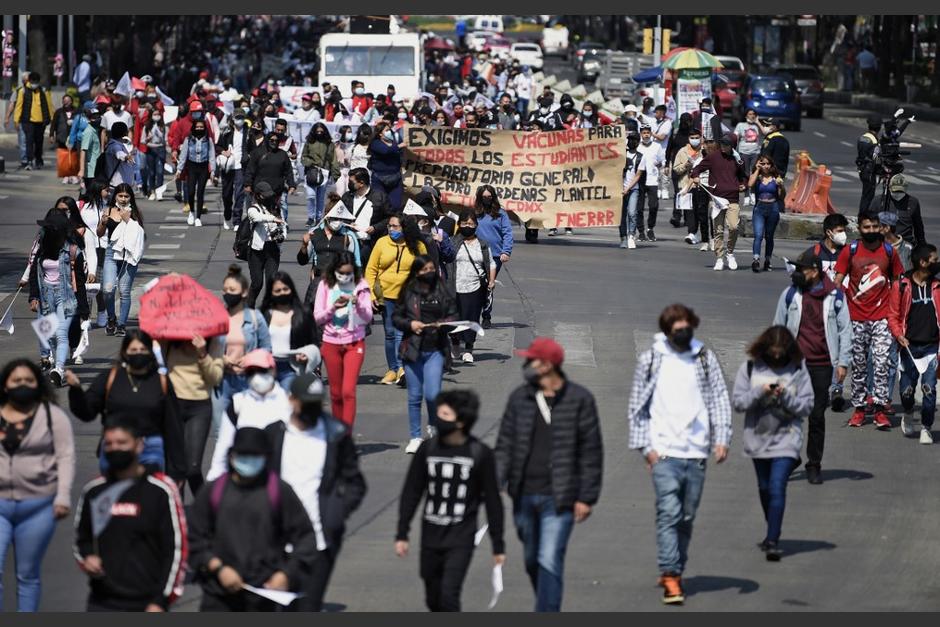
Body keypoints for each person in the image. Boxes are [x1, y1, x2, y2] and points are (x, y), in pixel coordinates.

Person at [628, 304, 731, 605]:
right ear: (667, 331)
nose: (683, 333)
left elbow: (719, 400)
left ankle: (675, 566)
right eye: (677, 329)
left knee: (686, 516)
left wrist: (722, 438)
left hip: (696, 451)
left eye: (687, 327)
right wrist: (647, 450)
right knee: (669, 512)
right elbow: (637, 407)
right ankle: (671, 573)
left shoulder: (703, 358)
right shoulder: (652, 359)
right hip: (664, 452)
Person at [495, 337, 603, 612]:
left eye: (532, 360)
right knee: (533, 559)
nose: (527, 364)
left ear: (547, 365)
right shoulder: (521, 397)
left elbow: (591, 452)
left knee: (549, 558)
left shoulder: (580, 400)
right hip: (523, 493)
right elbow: (505, 443)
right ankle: (546, 599)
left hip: (560, 497)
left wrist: (586, 497)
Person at [264, 374, 367, 611]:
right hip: (276, 543)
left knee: (308, 608)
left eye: (316, 403)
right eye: (306, 402)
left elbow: (355, 484)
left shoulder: (336, 434)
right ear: (292, 400)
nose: (312, 408)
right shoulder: (274, 435)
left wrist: (335, 513)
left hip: (320, 543)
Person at [396, 389, 505, 612]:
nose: (438, 419)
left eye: (445, 415)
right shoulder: (428, 449)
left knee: (449, 594)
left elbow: (493, 501)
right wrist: (402, 532)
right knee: (433, 597)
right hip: (431, 535)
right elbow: (412, 492)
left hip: (461, 537)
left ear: (461, 421)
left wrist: (498, 544)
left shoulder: (480, 453)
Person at [188, 426, 318, 612]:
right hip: (218, 595)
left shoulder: (279, 491)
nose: (249, 461)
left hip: (264, 594)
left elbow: (305, 537)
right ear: (232, 456)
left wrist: (286, 574)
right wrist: (217, 568)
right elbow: (193, 537)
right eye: (243, 455)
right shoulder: (213, 491)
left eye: (255, 456)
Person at [73, 418, 187, 612]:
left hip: (147, 602)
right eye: (109, 444)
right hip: (102, 601)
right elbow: (81, 540)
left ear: (139, 445)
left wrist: (161, 600)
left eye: (122, 443)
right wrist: (87, 558)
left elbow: (176, 548)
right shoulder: (95, 491)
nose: (115, 448)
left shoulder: (161, 491)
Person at [731, 326, 814, 561]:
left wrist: (785, 396)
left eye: (781, 352)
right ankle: (772, 526)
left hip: (787, 439)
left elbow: (806, 406)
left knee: (778, 486)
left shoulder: (798, 369)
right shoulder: (750, 368)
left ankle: (772, 540)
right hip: (758, 439)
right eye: (773, 352)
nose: (777, 357)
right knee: (765, 488)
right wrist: (759, 392)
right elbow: (738, 403)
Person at [0, 358, 75, 611]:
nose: (22, 384)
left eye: (28, 380)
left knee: (27, 575)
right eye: (16, 380)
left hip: (38, 508)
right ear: (5, 385)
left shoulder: (52, 417)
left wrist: (63, 496)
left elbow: (65, 457)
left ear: (38, 385)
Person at [65, 329, 186, 481]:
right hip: (114, 446)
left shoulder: (160, 381)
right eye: (134, 350)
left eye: (143, 350)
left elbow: (173, 426)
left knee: (146, 494)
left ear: (150, 352)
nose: (138, 353)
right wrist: (76, 390)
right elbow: (87, 412)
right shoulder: (110, 377)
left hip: (150, 448)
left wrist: (178, 469)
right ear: (124, 352)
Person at [773, 249, 851, 484]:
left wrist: (843, 362)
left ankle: (814, 464)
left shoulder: (835, 297)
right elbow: (778, 327)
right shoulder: (790, 295)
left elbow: (845, 330)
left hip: (822, 365)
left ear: (815, 272)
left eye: (802, 269)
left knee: (817, 416)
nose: (798, 273)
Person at [834, 211, 905, 429]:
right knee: (860, 365)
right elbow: (838, 280)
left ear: (881, 228)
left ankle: (881, 410)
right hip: (855, 317)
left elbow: (896, 281)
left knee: (883, 363)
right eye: (867, 227)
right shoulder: (850, 251)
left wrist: (897, 312)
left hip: (882, 317)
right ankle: (859, 409)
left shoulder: (889, 251)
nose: (872, 231)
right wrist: (836, 308)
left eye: (875, 227)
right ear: (860, 229)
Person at [394, 255, 458, 453]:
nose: (428, 273)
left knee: (433, 394)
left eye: (431, 268)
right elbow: (396, 317)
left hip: (435, 349)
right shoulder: (408, 291)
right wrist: (410, 324)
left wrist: (444, 324)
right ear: (416, 272)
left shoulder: (443, 289)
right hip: (412, 349)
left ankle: (433, 425)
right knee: (414, 396)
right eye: (424, 270)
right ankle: (415, 436)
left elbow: (454, 315)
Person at [207, 349, 291, 482]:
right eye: (251, 372)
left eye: (261, 370)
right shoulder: (237, 403)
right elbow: (223, 446)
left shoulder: (288, 403)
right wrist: (214, 481)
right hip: (244, 477)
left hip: (279, 479)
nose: (256, 376)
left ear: (273, 370)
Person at [26, 210, 90, 385]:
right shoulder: (42, 249)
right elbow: (34, 273)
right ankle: (55, 364)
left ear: (58, 230)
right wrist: (33, 296)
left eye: (48, 228)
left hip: (66, 298)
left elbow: (81, 281)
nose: (44, 231)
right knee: (49, 335)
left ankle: (59, 369)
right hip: (46, 298)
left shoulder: (73, 251)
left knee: (61, 334)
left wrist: (84, 310)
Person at [160, 327, 224, 499]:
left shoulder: (213, 340)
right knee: (174, 469)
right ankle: (175, 513)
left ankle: (207, 509)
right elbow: (158, 362)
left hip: (199, 406)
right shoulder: (169, 339)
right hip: (173, 405)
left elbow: (215, 377)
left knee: (193, 468)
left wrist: (203, 353)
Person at [366, 214, 428, 386]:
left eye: (395, 226)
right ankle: (393, 369)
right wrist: (370, 294)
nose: (391, 229)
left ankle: (402, 368)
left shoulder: (418, 245)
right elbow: (370, 269)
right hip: (385, 295)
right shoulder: (381, 243)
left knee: (401, 332)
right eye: (390, 226)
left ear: (405, 228)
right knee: (390, 333)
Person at [314, 252, 374, 427]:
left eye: (348, 273)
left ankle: (345, 434)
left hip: (354, 342)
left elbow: (368, 316)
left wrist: (358, 304)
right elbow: (318, 317)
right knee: (335, 393)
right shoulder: (325, 285)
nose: (345, 277)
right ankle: (337, 430)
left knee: (348, 391)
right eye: (341, 273)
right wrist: (333, 308)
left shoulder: (361, 285)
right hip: (331, 342)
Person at [888, 243, 940, 444]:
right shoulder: (901, 285)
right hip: (909, 349)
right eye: (934, 260)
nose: (937, 263)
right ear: (923, 262)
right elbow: (892, 315)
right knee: (907, 392)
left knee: (929, 388)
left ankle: (926, 427)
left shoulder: (937, 286)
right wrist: (899, 334)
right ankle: (908, 413)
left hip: (932, 348)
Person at [217, 265, 272, 424]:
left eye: (232, 290)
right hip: (223, 381)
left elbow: (267, 348)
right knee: (222, 431)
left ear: (244, 292)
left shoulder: (256, 318)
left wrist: (250, 359)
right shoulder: (218, 318)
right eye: (225, 290)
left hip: (248, 381)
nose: (227, 294)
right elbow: (208, 349)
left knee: (247, 427)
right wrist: (222, 359)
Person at [691, 136, 746, 271]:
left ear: (732, 145)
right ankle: (719, 258)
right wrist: (696, 176)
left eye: (726, 144)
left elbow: (743, 176)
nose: (723, 146)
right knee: (718, 230)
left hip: (732, 198)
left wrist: (743, 185)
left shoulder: (738, 159)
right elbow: (697, 168)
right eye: (722, 143)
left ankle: (730, 252)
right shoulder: (713, 157)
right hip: (717, 198)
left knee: (733, 227)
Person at [449, 211, 496, 362]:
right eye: (464, 224)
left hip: (475, 286)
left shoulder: (482, 244)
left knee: (471, 318)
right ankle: (455, 344)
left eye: (470, 224)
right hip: (454, 286)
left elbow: (491, 263)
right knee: (454, 318)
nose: (467, 226)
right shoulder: (452, 242)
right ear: (459, 225)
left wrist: (491, 281)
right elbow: (445, 258)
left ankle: (469, 348)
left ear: (476, 225)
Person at [298, 199, 361, 309]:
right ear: (326, 215)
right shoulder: (315, 233)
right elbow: (302, 261)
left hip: (341, 283)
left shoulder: (348, 236)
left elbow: (356, 262)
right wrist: (304, 245)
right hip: (318, 282)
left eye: (340, 219)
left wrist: (356, 287)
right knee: (314, 315)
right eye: (335, 218)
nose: (337, 222)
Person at [259, 272, 316, 392]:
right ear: (271, 293)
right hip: (268, 366)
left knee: (287, 398)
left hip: (291, 367)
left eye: (285, 289)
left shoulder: (303, 314)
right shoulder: (263, 315)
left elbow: (313, 342)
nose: (282, 293)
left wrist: (306, 355)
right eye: (277, 291)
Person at [101, 183, 145, 335]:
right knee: (107, 290)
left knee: (124, 290)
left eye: (127, 196)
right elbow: (100, 233)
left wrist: (129, 220)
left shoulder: (134, 213)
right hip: (111, 253)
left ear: (131, 197)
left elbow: (140, 235)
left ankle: (121, 324)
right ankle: (111, 318)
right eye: (120, 195)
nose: (124, 199)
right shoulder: (108, 210)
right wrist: (103, 222)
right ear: (115, 196)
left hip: (128, 256)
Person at [472, 186, 513, 329]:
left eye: (489, 197)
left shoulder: (501, 214)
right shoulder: (474, 213)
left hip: (495, 255)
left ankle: (486, 315)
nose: (487, 200)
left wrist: (506, 251)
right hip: (476, 253)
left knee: (489, 285)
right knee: (476, 285)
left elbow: (507, 233)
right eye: (484, 197)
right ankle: (473, 315)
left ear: (493, 197)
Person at [245, 181, 287, 307]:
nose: (269, 197)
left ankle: (267, 310)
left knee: (271, 282)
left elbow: (284, 226)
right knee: (257, 283)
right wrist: (273, 218)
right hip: (256, 250)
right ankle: (249, 308)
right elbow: (257, 218)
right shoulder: (253, 209)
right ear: (258, 196)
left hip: (273, 249)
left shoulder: (276, 208)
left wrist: (281, 236)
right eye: (265, 195)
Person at [244, 129, 296, 228]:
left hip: (276, 190)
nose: (274, 142)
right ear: (267, 140)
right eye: (271, 140)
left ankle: (275, 232)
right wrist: (248, 184)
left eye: (276, 141)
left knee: (274, 212)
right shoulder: (257, 153)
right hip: (260, 191)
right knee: (259, 212)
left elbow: (288, 171)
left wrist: (292, 185)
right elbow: (250, 169)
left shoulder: (282, 154)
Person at [342, 168, 392, 264]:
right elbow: (339, 216)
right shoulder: (347, 197)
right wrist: (349, 224)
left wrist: (375, 228)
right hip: (350, 241)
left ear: (361, 183)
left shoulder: (380, 197)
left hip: (369, 244)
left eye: (351, 181)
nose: (349, 184)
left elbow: (390, 218)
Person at [672, 127, 710, 249]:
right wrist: (686, 165)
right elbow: (676, 169)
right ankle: (691, 233)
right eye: (692, 138)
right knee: (689, 212)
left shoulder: (705, 151)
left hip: (701, 185)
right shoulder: (682, 152)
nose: (694, 140)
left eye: (697, 138)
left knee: (701, 212)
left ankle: (705, 237)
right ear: (688, 139)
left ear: (701, 138)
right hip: (686, 186)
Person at [748, 155, 786, 273]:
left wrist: (781, 186)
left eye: (767, 164)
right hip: (759, 208)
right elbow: (750, 184)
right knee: (758, 235)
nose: (765, 166)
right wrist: (757, 169)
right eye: (763, 163)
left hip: (773, 208)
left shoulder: (776, 178)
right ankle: (756, 260)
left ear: (771, 165)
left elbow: (781, 196)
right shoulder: (757, 177)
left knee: (769, 236)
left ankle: (768, 260)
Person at [215, 109, 251, 230]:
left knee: (240, 194)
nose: (239, 120)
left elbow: (253, 148)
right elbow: (218, 146)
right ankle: (227, 216)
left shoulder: (248, 132)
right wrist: (223, 151)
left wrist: (249, 156)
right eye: (237, 117)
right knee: (227, 194)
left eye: (241, 117)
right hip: (228, 166)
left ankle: (237, 221)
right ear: (232, 118)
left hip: (241, 166)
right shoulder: (226, 131)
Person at [301, 122, 342, 228]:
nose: (319, 133)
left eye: (321, 131)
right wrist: (309, 163)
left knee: (320, 197)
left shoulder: (329, 144)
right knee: (311, 195)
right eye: (317, 131)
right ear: (314, 131)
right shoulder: (309, 142)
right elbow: (303, 156)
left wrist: (336, 173)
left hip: (324, 172)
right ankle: (311, 217)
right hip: (311, 171)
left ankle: (319, 218)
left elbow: (333, 159)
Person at [868, 174, 926, 248]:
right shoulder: (879, 201)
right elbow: (868, 222)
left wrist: (922, 245)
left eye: (900, 191)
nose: (898, 194)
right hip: (883, 242)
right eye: (895, 191)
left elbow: (918, 226)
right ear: (889, 188)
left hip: (906, 243)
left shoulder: (913, 202)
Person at [176, 118, 215, 227]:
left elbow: (212, 156)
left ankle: (198, 217)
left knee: (200, 192)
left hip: (203, 168)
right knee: (191, 191)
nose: (199, 129)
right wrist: (179, 169)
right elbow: (183, 155)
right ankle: (192, 212)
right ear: (194, 127)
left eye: (201, 127)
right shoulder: (188, 139)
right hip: (192, 167)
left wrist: (212, 171)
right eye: (197, 127)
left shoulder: (208, 140)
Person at [13, 72, 53, 171]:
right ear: (29, 81)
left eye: (36, 82)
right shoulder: (23, 91)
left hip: (41, 122)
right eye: (33, 81)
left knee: (39, 142)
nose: (34, 83)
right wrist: (16, 120)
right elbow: (19, 106)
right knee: (29, 141)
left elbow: (49, 106)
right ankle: (29, 161)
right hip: (28, 121)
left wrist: (51, 119)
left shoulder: (43, 91)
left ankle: (39, 159)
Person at [634, 124, 665, 242]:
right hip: (639, 180)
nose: (646, 135)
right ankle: (641, 231)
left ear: (651, 133)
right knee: (639, 208)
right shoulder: (637, 147)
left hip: (652, 180)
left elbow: (662, 161)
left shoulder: (657, 146)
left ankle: (650, 228)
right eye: (644, 133)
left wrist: (660, 165)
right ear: (641, 134)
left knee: (653, 206)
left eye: (648, 132)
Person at [368, 121, 404, 212]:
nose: (389, 132)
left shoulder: (394, 143)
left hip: (395, 179)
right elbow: (386, 151)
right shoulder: (375, 143)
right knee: (379, 205)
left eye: (390, 130)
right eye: (387, 130)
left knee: (395, 205)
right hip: (379, 180)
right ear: (380, 133)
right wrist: (400, 146)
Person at [734, 109, 763, 206]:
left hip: (755, 152)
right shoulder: (740, 125)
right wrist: (735, 152)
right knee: (745, 173)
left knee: (755, 172)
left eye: (753, 114)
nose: (752, 116)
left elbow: (764, 133)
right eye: (750, 114)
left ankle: (753, 194)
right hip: (744, 152)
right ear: (746, 116)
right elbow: (735, 137)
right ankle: (746, 195)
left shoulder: (756, 126)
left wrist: (758, 122)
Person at [809, 213, 849, 281]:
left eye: (844, 231)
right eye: (840, 231)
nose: (843, 234)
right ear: (828, 232)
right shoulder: (813, 253)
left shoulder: (850, 252)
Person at [50, 94, 80, 184]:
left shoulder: (77, 112)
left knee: (74, 158)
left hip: (74, 138)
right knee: (64, 158)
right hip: (62, 138)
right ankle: (66, 175)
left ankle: (74, 175)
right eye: (64, 101)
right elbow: (53, 124)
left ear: (71, 102)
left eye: (68, 101)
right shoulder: (58, 112)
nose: (66, 103)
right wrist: (52, 135)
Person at [141, 107, 167, 201]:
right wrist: (148, 138)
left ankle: (159, 192)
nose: (156, 116)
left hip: (160, 149)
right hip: (150, 149)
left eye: (158, 114)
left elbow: (166, 140)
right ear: (151, 116)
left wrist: (160, 134)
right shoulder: (147, 127)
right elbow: (142, 140)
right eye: (154, 114)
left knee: (160, 172)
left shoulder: (163, 127)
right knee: (151, 172)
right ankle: (152, 191)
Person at [856, 115, 881, 213]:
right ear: (879, 127)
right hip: (870, 171)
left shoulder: (862, 137)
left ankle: (862, 215)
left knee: (865, 194)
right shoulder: (874, 141)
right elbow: (875, 157)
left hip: (862, 169)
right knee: (868, 196)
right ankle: (863, 216)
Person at [102, 121, 136, 189]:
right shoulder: (115, 146)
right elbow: (119, 154)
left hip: (121, 184)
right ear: (125, 133)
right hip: (117, 185)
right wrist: (126, 156)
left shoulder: (117, 144)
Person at [79, 102, 103, 189]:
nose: (97, 119)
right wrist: (81, 170)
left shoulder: (95, 130)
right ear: (89, 119)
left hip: (96, 168)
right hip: (90, 171)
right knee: (88, 195)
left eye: (98, 116)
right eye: (94, 117)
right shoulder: (88, 132)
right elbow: (83, 150)